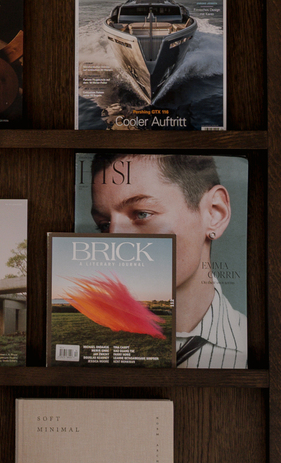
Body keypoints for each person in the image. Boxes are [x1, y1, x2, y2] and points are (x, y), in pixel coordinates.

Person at [87, 149, 245, 365]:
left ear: (214, 213)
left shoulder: (253, 349)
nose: (113, 246)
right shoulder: (90, 344)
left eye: (142, 214)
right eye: (104, 225)